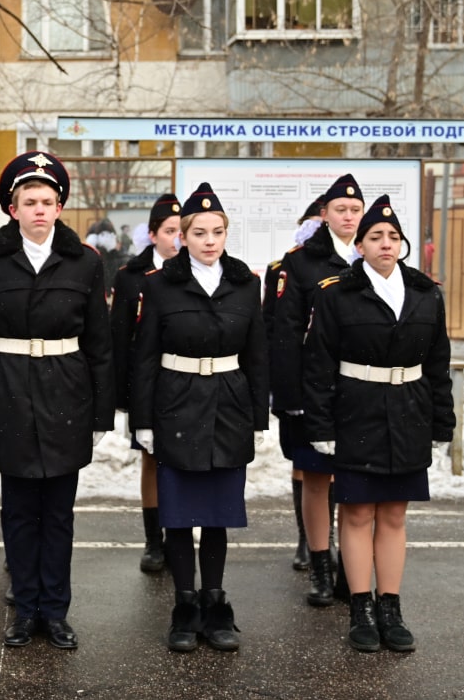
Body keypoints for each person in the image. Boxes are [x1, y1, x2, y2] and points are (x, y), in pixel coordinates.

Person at [0, 151, 113, 650]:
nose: (40, 209)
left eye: (48, 201)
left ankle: (56, 610)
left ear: (60, 207)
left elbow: (100, 346)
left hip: (67, 389)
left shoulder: (85, 262)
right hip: (8, 393)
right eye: (30, 201)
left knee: (60, 513)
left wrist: (101, 414)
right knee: (20, 511)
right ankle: (25, 610)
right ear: (13, 209)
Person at [302, 195, 454, 653]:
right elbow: (318, 366)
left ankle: (391, 607)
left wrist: (441, 425)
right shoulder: (336, 293)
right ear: (360, 247)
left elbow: (438, 364)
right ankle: (361, 608)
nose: (385, 243)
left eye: (393, 237)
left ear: (402, 244)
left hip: (409, 410)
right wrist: (322, 427)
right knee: (357, 513)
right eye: (375, 237)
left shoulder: (426, 292)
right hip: (356, 412)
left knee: (393, 514)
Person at [131, 182, 268, 652]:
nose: (210, 240)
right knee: (179, 515)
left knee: (216, 515)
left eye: (218, 231)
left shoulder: (246, 284)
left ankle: (215, 604)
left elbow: (257, 355)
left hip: (228, 404)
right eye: (200, 232)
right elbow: (144, 357)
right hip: (176, 404)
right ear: (182, 237)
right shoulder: (160, 285)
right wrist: (143, 421)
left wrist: (257, 416)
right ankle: (184, 606)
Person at [270, 174, 365, 608]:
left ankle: (351, 567)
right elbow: (285, 337)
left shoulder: (371, 258)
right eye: (341, 210)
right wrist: (288, 400)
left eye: (354, 210)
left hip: (360, 392)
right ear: (324, 214)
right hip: (313, 392)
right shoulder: (301, 263)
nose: (348, 217)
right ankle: (321, 568)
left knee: (354, 484)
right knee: (315, 480)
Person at [110, 193, 182, 573]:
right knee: (152, 461)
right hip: (146, 385)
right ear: (152, 235)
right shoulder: (130, 277)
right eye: (169, 231)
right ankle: (154, 540)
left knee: (183, 461)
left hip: (185, 384)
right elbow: (119, 340)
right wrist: (121, 396)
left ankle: (179, 535)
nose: (177, 239)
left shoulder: (196, 271)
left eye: (180, 231)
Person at [262, 195, 324, 572]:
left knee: (331, 465)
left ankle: (325, 539)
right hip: (298, 380)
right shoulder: (282, 267)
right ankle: (308, 538)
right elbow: (274, 329)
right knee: (304, 463)